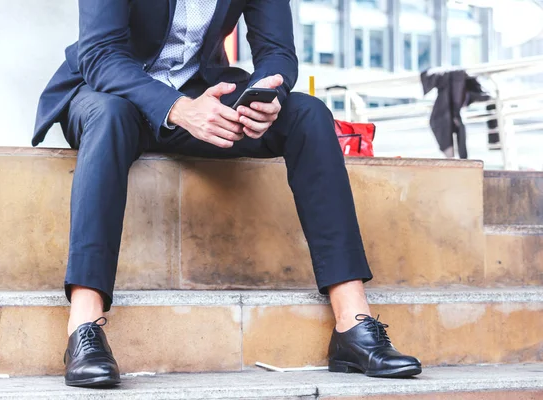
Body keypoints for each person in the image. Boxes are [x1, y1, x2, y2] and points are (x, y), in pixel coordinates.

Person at [33, 0, 421, 388]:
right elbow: (101, 55)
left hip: (205, 96)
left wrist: (266, 93)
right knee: (109, 117)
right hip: (113, 93)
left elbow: (277, 52)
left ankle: (352, 323)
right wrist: (177, 108)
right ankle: (84, 326)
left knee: (310, 114)